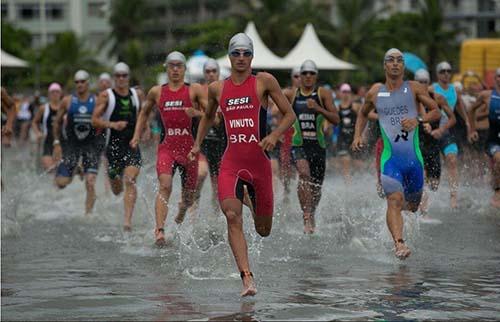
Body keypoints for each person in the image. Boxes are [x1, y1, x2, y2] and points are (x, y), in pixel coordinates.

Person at [188, 33, 295, 296]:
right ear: (229, 56)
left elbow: (289, 115)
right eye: (236, 53)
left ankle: (248, 197)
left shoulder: (264, 81)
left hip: (259, 165)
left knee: (263, 230)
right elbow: (208, 117)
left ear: (252, 56)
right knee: (232, 216)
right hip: (231, 163)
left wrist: (273, 135)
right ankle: (247, 277)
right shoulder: (217, 88)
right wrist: (196, 144)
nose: (241, 58)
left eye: (246, 53)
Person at [352, 48, 440, 259]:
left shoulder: (414, 88)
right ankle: (399, 243)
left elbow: (436, 110)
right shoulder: (375, 92)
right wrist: (358, 135)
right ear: (384, 65)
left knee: (411, 206)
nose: (395, 64)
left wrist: (418, 120)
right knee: (394, 199)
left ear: (403, 66)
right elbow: (362, 114)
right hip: (390, 160)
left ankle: (394, 228)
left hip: (414, 161)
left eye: (399, 61)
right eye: (390, 60)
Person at [130, 51, 206, 245]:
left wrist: (195, 112)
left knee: (188, 197)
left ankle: (182, 210)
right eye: (171, 65)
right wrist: (136, 136)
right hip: (167, 148)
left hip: (189, 150)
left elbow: (212, 116)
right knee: (165, 185)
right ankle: (160, 230)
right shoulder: (157, 91)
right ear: (166, 68)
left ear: (184, 69)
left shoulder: (194, 90)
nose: (175, 69)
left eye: (178, 66)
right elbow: (144, 113)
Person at [284, 59, 339, 234]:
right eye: (304, 73)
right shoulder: (292, 94)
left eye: (311, 73)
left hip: (318, 146)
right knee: (303, 174)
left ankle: (312, 211)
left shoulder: (323, 94)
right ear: (299, 76)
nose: (308, 76)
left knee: (316, 187)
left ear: (316, 76)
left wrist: (318, 108)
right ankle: (306, 216)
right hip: (299, 144)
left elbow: (335, 119)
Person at [92, 62, 144, 230]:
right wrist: (113, 125)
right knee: (116, 188)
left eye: (124, 75)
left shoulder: (137, 95)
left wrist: (146, 130)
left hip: (132, 144)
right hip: (113, 147)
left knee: (130, 179)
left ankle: (127, 221)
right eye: (118, 76)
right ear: (114, 78)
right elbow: (94, 120)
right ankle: (121, 204)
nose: (121, 79)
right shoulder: (106, 96)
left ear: (128, 77)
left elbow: (143, 114)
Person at [53, 70, 100, 215]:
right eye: (77, 82)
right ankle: (75, 170)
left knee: (90, 182)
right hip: (72, 146)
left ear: (88, 83)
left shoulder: (96, 100)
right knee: (61, 183)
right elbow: (57, 123)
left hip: (91, 146)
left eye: (82, 81)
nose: (79, 84)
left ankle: (88, 214)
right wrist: (56, 143)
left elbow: (103, 122)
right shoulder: (67, 100)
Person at [413, 69, 456, 218]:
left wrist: (441, 129)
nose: (423, 85)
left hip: (433, 144)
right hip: (417, 143)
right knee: (421, 179)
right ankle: (423, 212)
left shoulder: (438, 98)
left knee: (434, 184)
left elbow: (452, 118)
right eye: (420, 82)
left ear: (429, 82)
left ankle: (426, 206)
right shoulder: (412, 99)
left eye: (425, 82)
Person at [431, 61, 472, 208]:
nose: (446, 73)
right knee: (431, 172)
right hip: (431, 132)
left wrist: (468, 124)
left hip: (447, 131)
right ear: (437, 74)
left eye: (448, 71)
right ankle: (427, 198)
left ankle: (454, 197)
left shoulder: (454, 90)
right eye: (442, 71)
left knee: (452, 159)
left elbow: (460, 108)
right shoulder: (432, 88)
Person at [189, 58, 226, 218]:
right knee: (201, 174)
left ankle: (216, 219)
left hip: (221, 143)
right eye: (208, 72)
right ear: (204, 74)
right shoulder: (198, 92)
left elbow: (218, 121)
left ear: (218, 73)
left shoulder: (224, 91)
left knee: (218, 187)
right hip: (203, 142)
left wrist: (198, 113)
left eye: (214, 71)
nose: (211, 74)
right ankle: (192, 210)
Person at [468, 67, 500, 208]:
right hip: (493, 140)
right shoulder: (486, 95)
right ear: (496, 78)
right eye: (499, 76)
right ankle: (497, 192)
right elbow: (471, 110)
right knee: (499, 160)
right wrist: (472, 130)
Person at [32, 83, 63, 172]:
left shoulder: (64, 107)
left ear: (60, 93)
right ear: (49, 94)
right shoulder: (43, 108)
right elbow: (34, 122)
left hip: (62, 140)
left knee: (60, 170)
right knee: (49, 169)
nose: (55, 94)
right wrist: (37, 133)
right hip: (47, 140)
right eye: (53, 92)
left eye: (57, 92)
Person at [336, 83, 361, 184]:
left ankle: (356, 183)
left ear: (350, 93)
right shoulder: (337, 108)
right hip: (342, 138)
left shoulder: (355, 106)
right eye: (343, 92)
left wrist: (361, 135)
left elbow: (362, 120)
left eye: (347, 92)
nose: (345, 94)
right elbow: (330, 122)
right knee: (345, 162)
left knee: (357, 165)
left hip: (354, 138)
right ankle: (347, 184)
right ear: (340, 93)